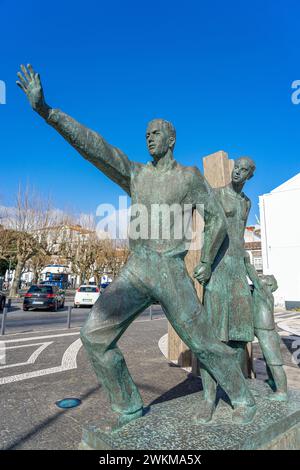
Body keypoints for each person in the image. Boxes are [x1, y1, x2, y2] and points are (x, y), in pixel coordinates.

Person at [17, 64, 256, 430]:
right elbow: (94, 147)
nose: (149, 138)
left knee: (204, 343)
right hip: (137, 268)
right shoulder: (136, 174)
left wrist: (206, 260)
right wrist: (48, 112)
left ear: (171, 139)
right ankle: (128, 406)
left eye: (155, 133)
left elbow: (217, 221)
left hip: (171, 270)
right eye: (146, 134)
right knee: (93, 335)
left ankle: (242, 396)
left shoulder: (188, 178)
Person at [199, 157, 256, 422]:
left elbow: (241, 238)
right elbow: (212, 231)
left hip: (237, 272)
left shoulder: (246, 203)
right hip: (219, 271)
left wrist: (250, 270)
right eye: (237, 167)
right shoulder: (216, 195)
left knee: (237, 337)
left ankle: (237, 394)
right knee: (211, 338)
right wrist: (205, 264)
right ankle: (208, 399)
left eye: (243, 170)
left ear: (249, 176)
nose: (237, 172)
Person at [245, 263, 288, 401]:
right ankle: (272, 382)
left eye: (265, 277)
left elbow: (253, 277)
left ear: (268, 285)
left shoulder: (264, 292)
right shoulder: (259, 292)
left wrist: (246, 261)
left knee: (274, 362)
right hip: (262, 331)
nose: (261, 277)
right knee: (269, 360)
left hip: (267, 332)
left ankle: (282, 392)